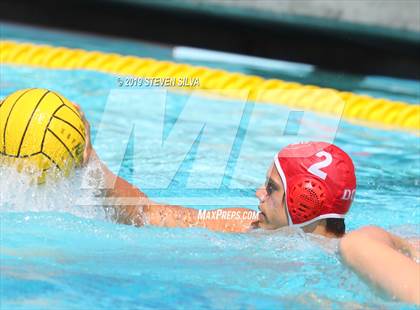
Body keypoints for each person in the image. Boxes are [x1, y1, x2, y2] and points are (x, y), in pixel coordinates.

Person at [74, 103, 419, 304]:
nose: (258, 193)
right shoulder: (248, 226)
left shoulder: (360, 253)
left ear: (304, 201)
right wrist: (92, 166)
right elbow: (151, 214)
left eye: (271, 188)